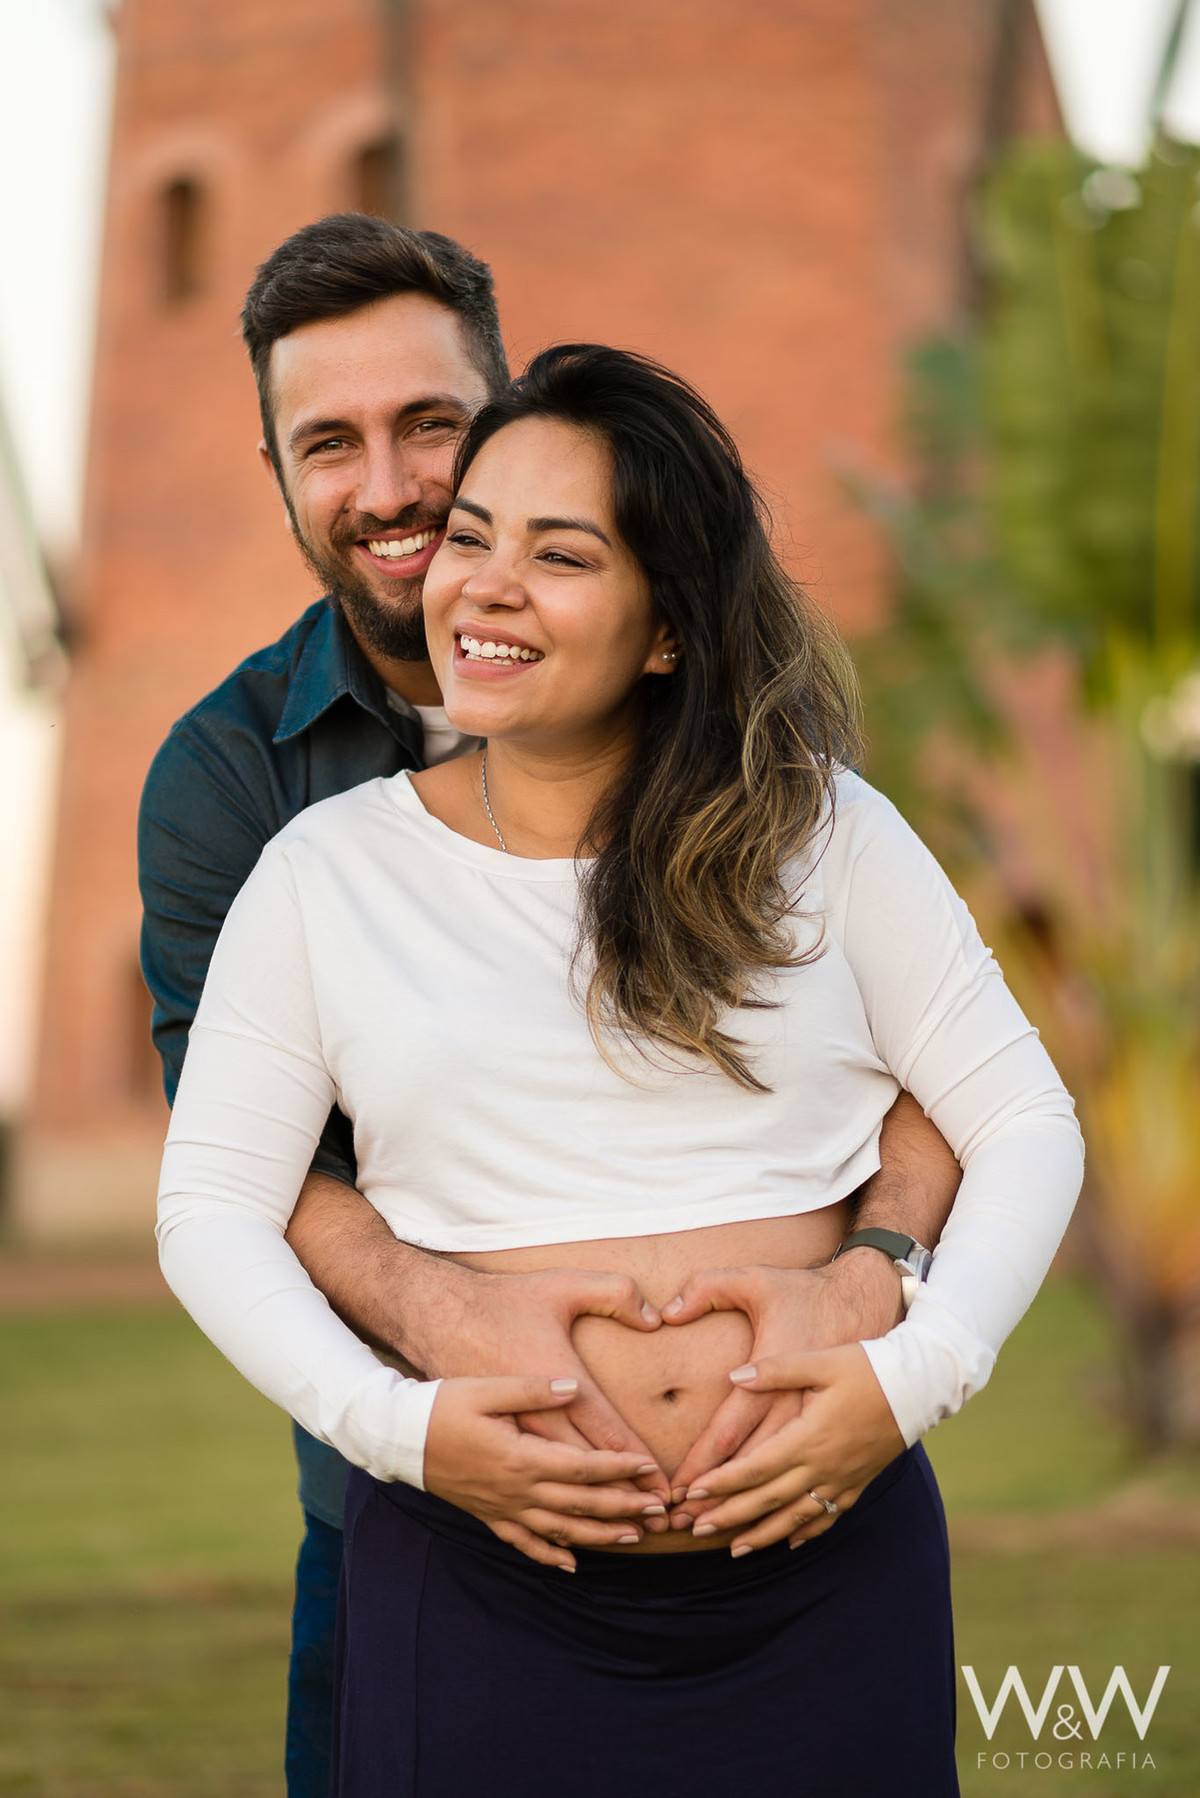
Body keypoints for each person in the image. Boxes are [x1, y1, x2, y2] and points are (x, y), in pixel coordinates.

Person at [156, 342, 1085, 1794]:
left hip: (825, 1584)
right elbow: (211, 1204)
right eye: (473, 538)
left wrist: (918, 1376)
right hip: (478, 1583)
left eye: (561, 555)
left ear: (667, 630)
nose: (485, 586)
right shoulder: (323, 875)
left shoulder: (826, 836)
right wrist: (395, 1428)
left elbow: (1023, 1115)